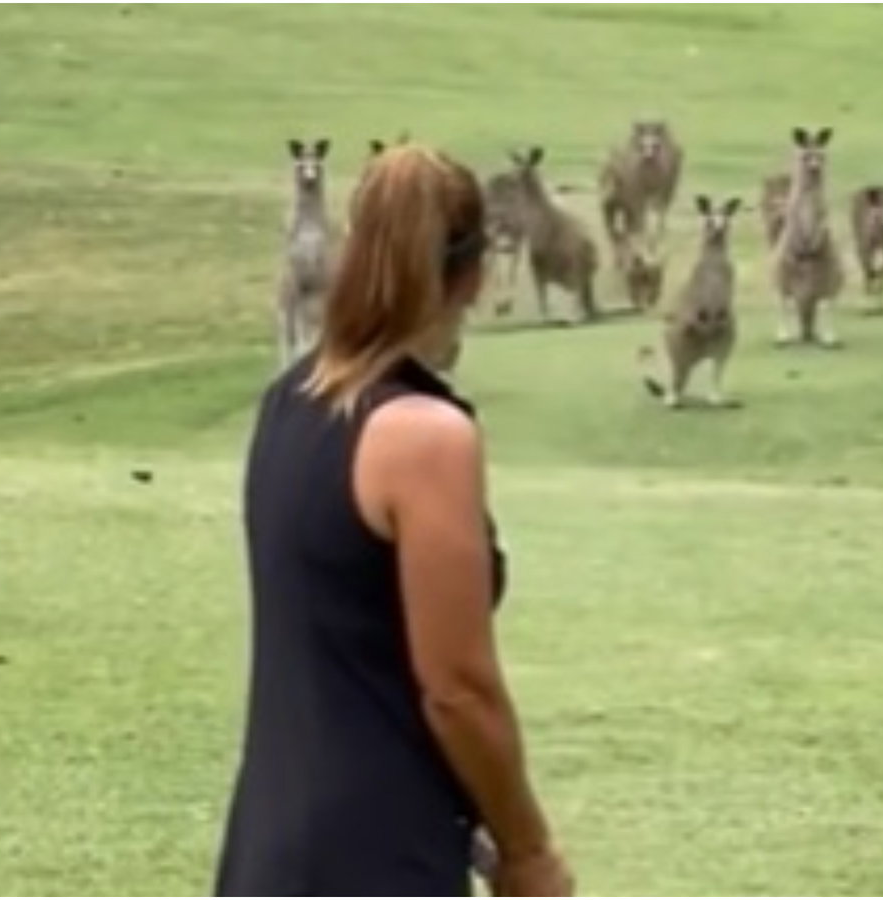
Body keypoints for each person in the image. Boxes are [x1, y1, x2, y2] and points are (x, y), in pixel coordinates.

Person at [213, 143, 573, 897]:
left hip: (273, 844)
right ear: (471, 276)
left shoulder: (290, 400)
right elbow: (457, 687)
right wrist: (527, 847)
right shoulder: (424, 435)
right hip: (376, 852)